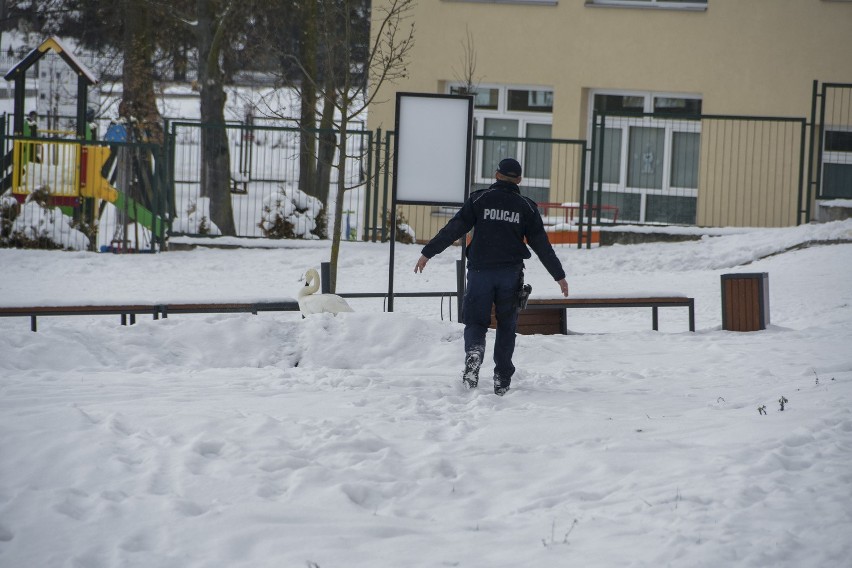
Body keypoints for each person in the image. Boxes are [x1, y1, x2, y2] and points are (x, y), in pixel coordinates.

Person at [414, 158, 569, 396]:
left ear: (496, 176)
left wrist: (427, 252)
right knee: (507, 326)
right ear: (519, 180)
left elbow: (454, 228)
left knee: (476, 321)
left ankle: (474, 352)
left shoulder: (480, 199)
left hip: (479, 272)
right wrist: (559, 275)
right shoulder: (526, 207)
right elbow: (541, 244)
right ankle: (502, 378)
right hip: (510, 274)